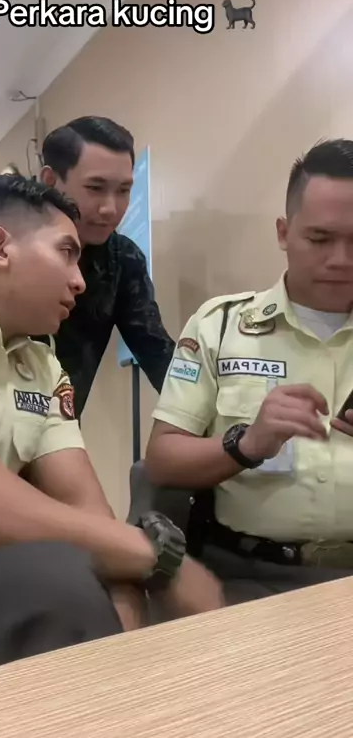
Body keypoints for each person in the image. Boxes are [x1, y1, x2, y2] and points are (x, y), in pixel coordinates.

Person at [0, 175, 222, 717]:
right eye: (66, 253)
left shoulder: (40, 366)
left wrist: (123, 641)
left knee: (90, 580)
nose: (81, 281)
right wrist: (155, 556)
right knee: (57, 579)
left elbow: (91, 518)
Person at [145, 138, 353, 605]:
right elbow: (162, 459)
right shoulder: (219, 327)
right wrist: (246, 444)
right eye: (320, 239)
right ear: (283, 232)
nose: (341, 259)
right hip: (250, 580)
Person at [39, 116, 175, 418]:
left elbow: (157, 353)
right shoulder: (2, 243)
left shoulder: (123, 259)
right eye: (95, 188)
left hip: (62, 433)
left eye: (124, 190)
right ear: (50, 181)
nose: (110, 209)